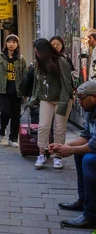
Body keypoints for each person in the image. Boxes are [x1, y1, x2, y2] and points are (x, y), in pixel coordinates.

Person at [51, 81, 96, 229]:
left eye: (82, 98)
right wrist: (65, 146)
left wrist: (70, 151)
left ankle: (91, 215)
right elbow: (86, 136)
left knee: (88, 160)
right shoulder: (90, 111)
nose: (79, 102)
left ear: (94, 97)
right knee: (80, 155)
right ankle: (84, 200)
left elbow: (93, 145)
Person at [30, 38, 74, 170]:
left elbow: (67, 85)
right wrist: (34, 99)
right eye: (35, 52)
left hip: (62, 98)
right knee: (43, 126)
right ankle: (42, 153)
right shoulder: (40, 63)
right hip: (46, 98)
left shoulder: (61, 61)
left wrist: (63, 103)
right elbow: (37, 83)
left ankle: (58, 156)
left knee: (59, 128)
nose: (37, 54)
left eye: (38, 52)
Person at [0, 34, 27, 148]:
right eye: (9, 42)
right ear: (6, 44)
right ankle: (2, 131)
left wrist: (25, 92)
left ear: (17, 44)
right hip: (3, 90)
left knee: (16, 116)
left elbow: (24, 75)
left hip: (17, 91)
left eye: (14, 42)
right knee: (5, 112)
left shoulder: (21, 59)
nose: (11, 44)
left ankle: (13, 138)